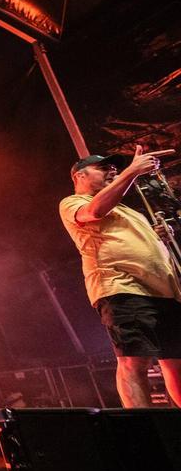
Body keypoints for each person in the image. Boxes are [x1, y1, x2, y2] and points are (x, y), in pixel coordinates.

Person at [59, 146, 181, 407]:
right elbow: (94, 212)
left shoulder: (128, 211)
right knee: (134, 361)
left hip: (163, 292)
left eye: (114, 168)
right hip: (124, 288)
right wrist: (132, 171)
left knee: (176, 361)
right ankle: (146, 433)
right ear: (79, 176)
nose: (112, 171)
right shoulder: (73, 202)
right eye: (103, 168)